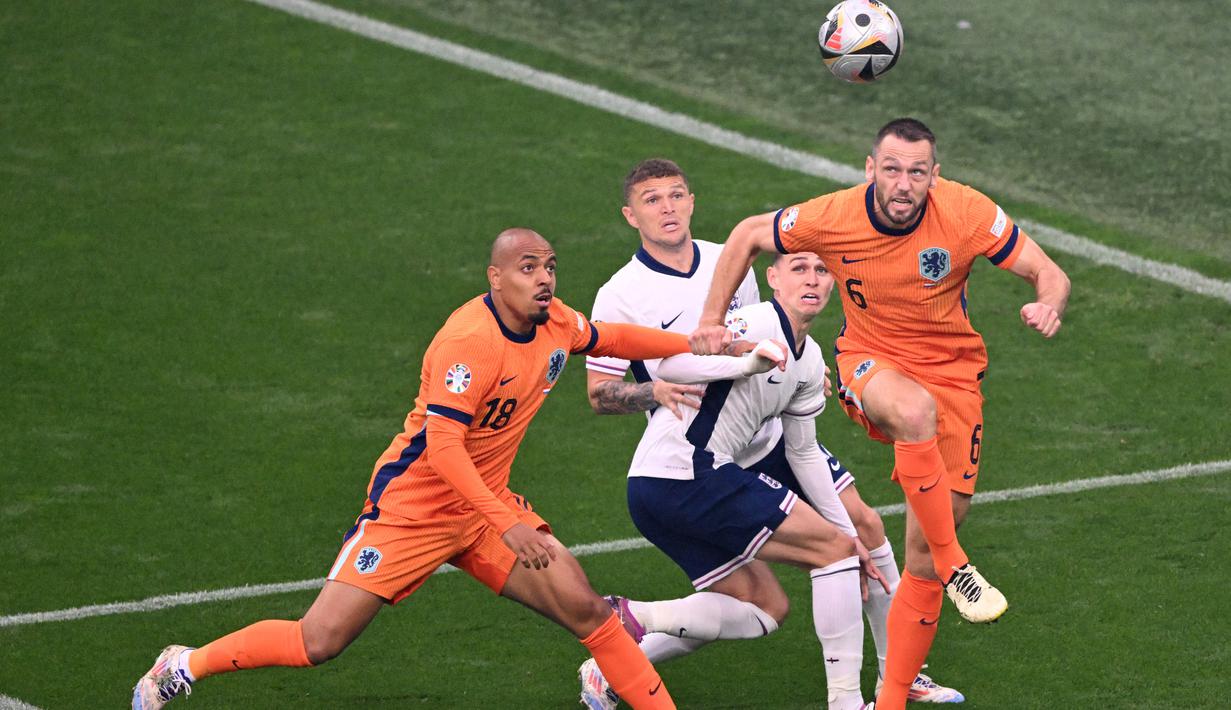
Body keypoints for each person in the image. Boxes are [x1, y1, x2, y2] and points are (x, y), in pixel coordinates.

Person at [131, 228, 711, 710]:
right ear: (495, 277)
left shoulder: (555, 322)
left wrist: (697, 344)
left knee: (586, 608)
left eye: (551, 267)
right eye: (529, 267)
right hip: (414, 508)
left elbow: (609, 337)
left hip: (485, 507)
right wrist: (505, 523)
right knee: (320, 640)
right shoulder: (467, 342)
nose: (544, 278)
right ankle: (182, 663)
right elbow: (443, 449)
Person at [688, 118, 1071, 709]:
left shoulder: (967, 213)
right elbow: (746, 236)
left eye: (917, 172)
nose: (903, 183)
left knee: (920, 554)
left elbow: (1049, 272)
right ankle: (959, 566)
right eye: (891, 169)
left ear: (934, 176)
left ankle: (892, 697)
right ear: (870, 169)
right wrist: (712, 319)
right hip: (872, 363)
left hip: (956, 376)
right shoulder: (834, 215)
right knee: (913, 415)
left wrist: (1048, 303)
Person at [581, 159, 962, 706]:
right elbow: (602, 392)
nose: (666, 208)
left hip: (766, 434)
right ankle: (623, 656)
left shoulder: (728, 260)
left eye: (675, 196)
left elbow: (772, 334)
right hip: (699, 451)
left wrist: (795, 373)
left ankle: (902, 673)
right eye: (651, 199)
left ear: (692, 201)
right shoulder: (621, 292)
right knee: (805, 570)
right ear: (630, 214)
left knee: (864, 526)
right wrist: (656, 389)